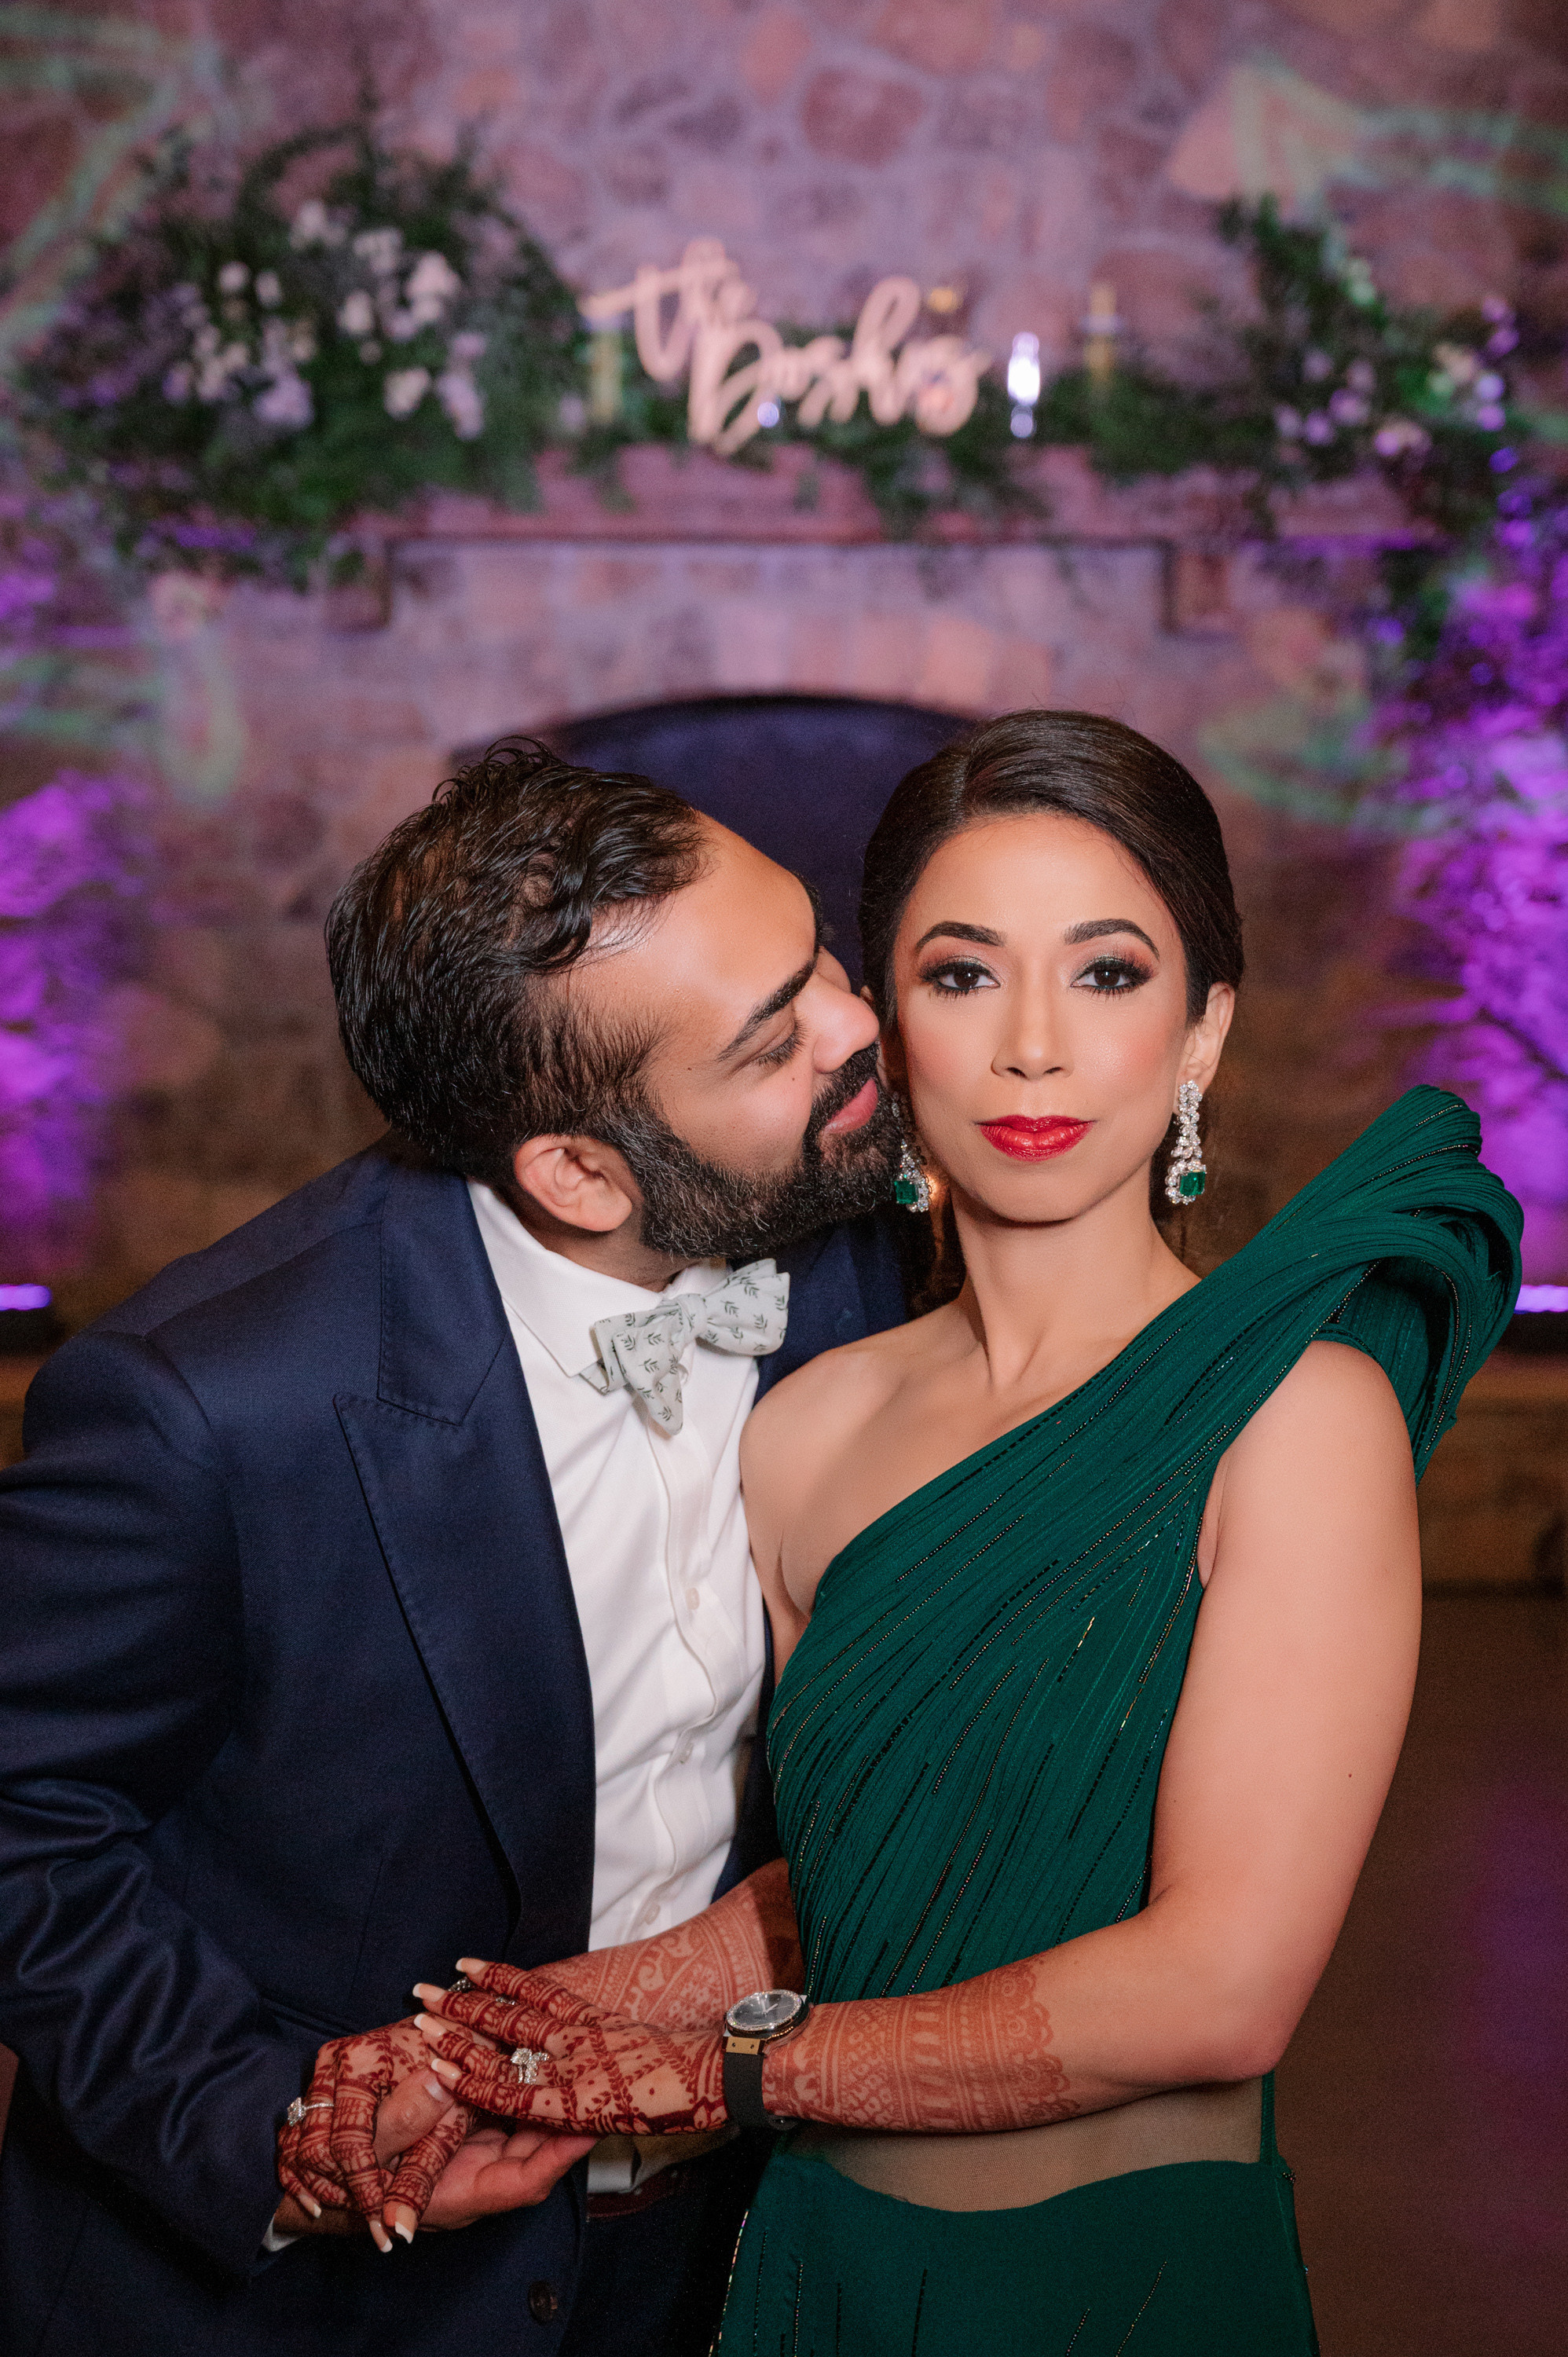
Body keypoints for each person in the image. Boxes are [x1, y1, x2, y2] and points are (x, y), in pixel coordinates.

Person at [397, 713, 1521, 2354]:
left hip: (1120, 2290)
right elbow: (850, 1880)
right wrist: (521, 2033)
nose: (1034, 1049)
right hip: (810, 2274)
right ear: (886, 1031)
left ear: (1201, 1034)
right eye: (962, 973)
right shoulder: (806, 1431)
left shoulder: (1292, 1418)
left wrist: (717, 2072)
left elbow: (1221, 1988)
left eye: (1110, 974)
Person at [0, 739, 910, 2357]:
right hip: (302, 2312)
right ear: (575, 1172)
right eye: (776, 1040)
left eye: (817, 961)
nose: (860, 1029)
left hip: (725, 2259)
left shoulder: (868, 1270)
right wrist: (272, 2129)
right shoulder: (206, 1410)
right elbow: (24, 1820)